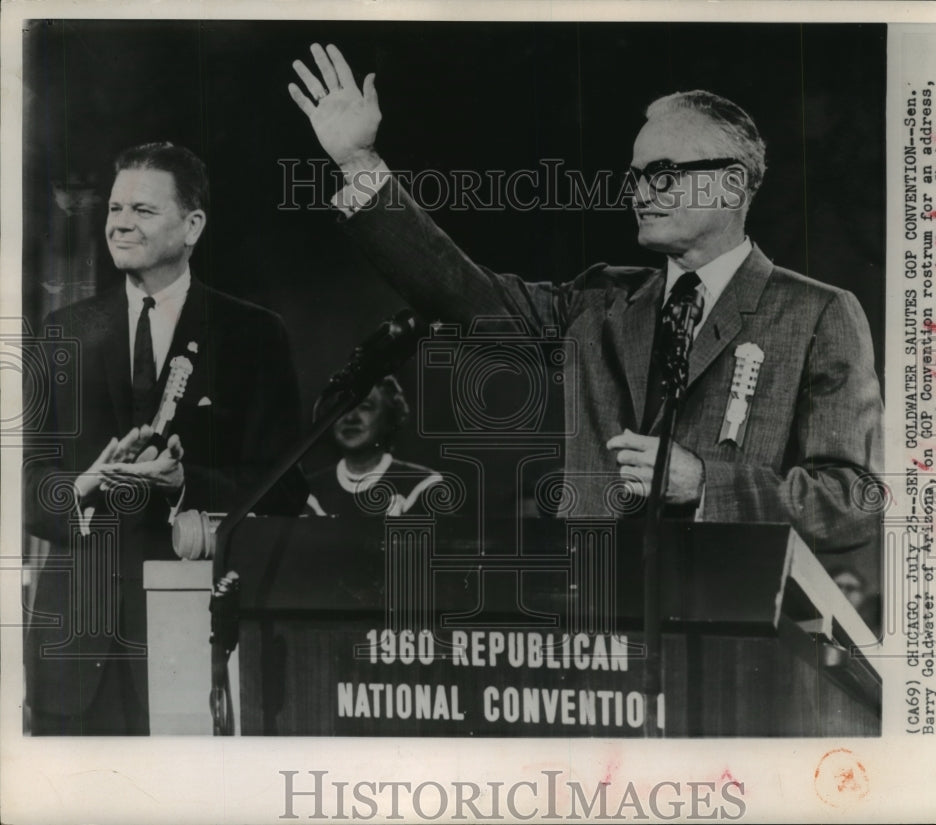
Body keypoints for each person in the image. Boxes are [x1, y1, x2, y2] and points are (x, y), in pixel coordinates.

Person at [286, 44, 883, 556]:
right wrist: (358, 163)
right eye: (635, 176)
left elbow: (854, 502)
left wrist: (705, 483)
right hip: (600, 630)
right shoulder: (598, 300)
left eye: (664, 173)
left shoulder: (817, 315)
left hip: (735, 648)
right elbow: (461, 294)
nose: (640, 193)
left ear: (732, 184)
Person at [23, 142, 307, 734]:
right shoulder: (61, 333)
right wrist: (81, 484)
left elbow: (283, 491)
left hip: (194, 644)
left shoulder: (252, 335)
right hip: (74, 654)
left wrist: (186, 485)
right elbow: (23, 487)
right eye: (115, 208)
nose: (121, 222)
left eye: (144, 210)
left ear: (193, 224)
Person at [306, 375, 444, 517]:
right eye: (342, 407)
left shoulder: (423, 485)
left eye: (365, 407)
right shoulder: (308, 493)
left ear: (389, 417)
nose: (350, 417)